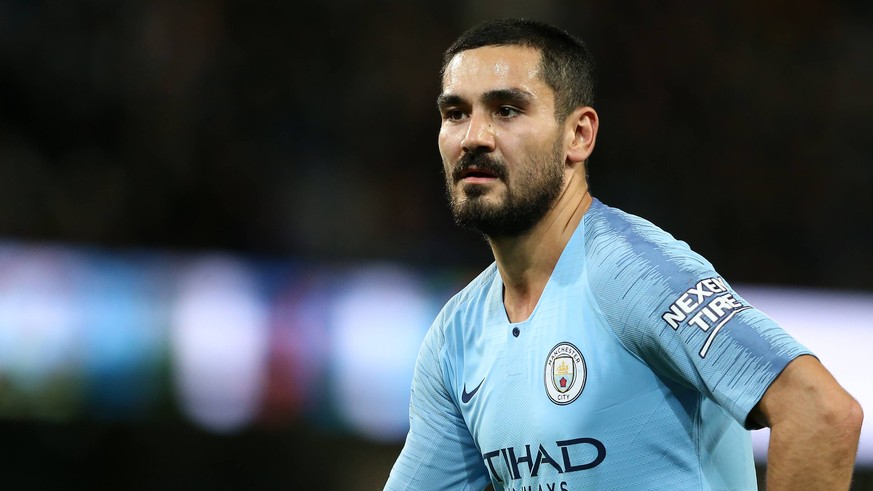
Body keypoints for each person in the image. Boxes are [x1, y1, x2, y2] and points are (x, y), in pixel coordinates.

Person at [384, 18, 862, 491]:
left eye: (506, 110)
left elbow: (819, 411)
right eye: (455, 114)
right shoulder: (455, 337)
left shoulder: (633, 271)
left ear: (579, 136)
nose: (474, 137)